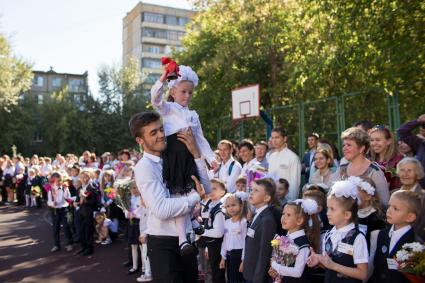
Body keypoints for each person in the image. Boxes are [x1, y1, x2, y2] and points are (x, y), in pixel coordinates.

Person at [130, 111, 211, 283]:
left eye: (161, 130)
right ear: (140, 140)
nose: (161, 135)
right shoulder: (144, 167)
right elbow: (161, 209)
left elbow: (207, 187)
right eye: (153, 133)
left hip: (187, 239)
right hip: (163, 244)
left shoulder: (174, 155)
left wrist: (196, 154)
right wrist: (194, 198)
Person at [151, 64, 216, 254]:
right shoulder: (168, 108)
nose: (187, 96)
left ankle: (194, 220)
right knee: (179, 195)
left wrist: (210, 158)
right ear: (173, 91)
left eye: (190, 92)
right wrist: (162, 79)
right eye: (183, 91)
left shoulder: (194, 115)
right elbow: (155, 99)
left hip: (189, 154)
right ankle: (182, 239)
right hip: (174, 154)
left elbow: (200, 139)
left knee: (193, 190)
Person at [307, 180, 369, 283]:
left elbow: (363, 274)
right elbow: (329, 266)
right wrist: (319, 261)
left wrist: (334, 266)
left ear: (347, 215)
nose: (327, 213)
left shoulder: (358, 238)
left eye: (332, 209)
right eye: (328, 209)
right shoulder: (329, 234)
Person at [368, 191, 422, 283]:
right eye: (389, 206)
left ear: (410, 217)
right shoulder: (382, 234)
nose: (389, 210)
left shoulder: (416, 245)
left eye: (395, 208)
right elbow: (377, 266)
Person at [268, 198, 321, 283]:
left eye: (288, 215)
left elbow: (297, 272)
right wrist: (275, 271)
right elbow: (283, 263)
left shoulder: (303, 244)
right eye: (283, 214)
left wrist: (275, 265)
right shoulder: (285, 238)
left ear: (299, 220)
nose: (283, 218)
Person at [339, 127, 389, 206]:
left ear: (361, 148)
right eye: (343, 145)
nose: (344, 148)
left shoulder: (374, 171)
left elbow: (384, 202)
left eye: (349, 145)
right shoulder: (341, 169)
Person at [243, 178, 278, 283]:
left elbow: (264, 252)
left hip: (256, 276)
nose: (252, 193)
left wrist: (258, 279)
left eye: (256, 190)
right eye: (251, 190)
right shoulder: (258, 214)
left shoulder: (267, 220)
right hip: (249, 272)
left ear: (266, 198)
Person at [199, 179, 227, 283]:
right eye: (209, 188)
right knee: (213, 272)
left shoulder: (219, 209)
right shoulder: (210, 205)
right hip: (211, 245)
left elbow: (219, 233)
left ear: (222, 192)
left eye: (214, 188)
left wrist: (202, 231)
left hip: (217, 246)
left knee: (218, 274)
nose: (211, 190)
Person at [349, 176, 385, 250]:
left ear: (368, 196)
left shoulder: (376, 218)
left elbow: (374, 247)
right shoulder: (351, 213)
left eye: (355, 192)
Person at [219, 191, 248, 283]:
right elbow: (225, 241)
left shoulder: (243, 222)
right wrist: (223, 257)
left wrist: (243, 260)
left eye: (233, 205)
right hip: (229, 255)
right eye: (228, 206)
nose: (231, 208)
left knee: (239, 279)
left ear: (241, 205)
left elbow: (245, 242)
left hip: (239, 255)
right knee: (230, 279)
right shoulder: (227, 222)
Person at [394, 157, 425, 240]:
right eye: (402, 170)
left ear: (417, 174)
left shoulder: (423, 197)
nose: (405, 174)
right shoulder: (392, 194)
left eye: (409, 171)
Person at [268, 127, 302, 201]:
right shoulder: (272, 157)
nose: (274, 140)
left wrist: (290, 203)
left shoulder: (293, 157)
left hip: (287, 201)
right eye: (272, 138)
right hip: (272, 199)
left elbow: (295, 184)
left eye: (277, 137)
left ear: (285, 138)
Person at [369, 125, 403, 191]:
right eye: (372, 140)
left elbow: (399, 186)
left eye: (378, 140)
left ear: (388, 141)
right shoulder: (370, 160)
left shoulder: (398, 160)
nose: (374, 143)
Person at [47, 172, 74, 252]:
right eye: (56, 181)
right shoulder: (51, 190)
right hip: (54, 210)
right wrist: (52, 204)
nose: (58, 182)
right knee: (55, 228)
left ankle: (69, 244)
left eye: (59, 181)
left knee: (66, 226)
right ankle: (56, 245)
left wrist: (66, 189)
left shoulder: (64, 188)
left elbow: (67, 197)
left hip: (63, 209)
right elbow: (49, 201)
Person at [397, 114, 425, 188]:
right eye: (423, 126)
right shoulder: (420, 144)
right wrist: (418, 121)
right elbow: (401, 132)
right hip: (420, 192)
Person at [74, 169, 98, 256]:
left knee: (88, 231)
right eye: (82, 177)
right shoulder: (80, 188)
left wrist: (85, 200)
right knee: (81, 231)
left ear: (89, 177)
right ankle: (83, 247)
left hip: (88, 212)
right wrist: (75, 203)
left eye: (86, 177)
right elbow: (77, 199)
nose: (84, 179)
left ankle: (89, 248)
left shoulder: (92, 187)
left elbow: (94, 202)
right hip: (80, 212)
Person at [125, 182, 142, 274]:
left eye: (136, 188)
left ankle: (144, 267)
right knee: (133, 245)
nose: (134, 190)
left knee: (142, 246)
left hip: (139, 223)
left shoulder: (142, 198)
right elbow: (125, 210)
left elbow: (142, 211)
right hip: (131, 223)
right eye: (132, 188)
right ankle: (134, 266)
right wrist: (127, 214)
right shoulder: (129, 199)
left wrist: (134, 214)